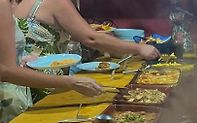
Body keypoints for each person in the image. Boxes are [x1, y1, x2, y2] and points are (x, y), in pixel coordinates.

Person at [0, 0, 102, 123]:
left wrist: (23, 56)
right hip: (8, 100)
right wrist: (70, 82)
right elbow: (5, 71)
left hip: (20, 91)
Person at [13, 0, 160, 63]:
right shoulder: (56, 2)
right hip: (44, 83)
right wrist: (139, 48)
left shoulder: (17, 2)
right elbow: (91, 38)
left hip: (22, 81)